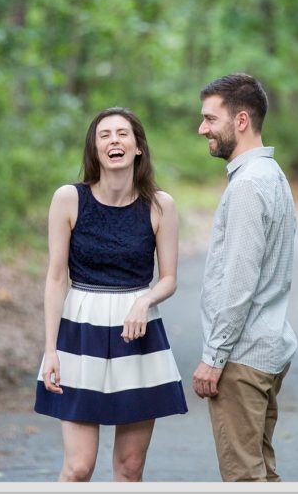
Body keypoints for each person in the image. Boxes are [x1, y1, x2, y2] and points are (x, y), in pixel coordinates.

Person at [35, 107, 187, 482]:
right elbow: (56, 278)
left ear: (137, 148)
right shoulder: (69, 199)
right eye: (104, 135)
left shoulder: (160, 205)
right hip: (80, 334)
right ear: (95, 147)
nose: (114, 140)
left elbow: (168, 278)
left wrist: (144, 299)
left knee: (130, 468)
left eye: (123, 134)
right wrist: (50, 349)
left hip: (137, 337)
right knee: (78, 467)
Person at [191, 73, 298, 482]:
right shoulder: (271, 175)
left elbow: (239, 283)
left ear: (240, 120)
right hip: (264, 352)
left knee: (244, 479)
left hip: (241, 359)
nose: (202, 129)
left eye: (209, 119)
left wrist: (213, 358)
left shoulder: (250, 186)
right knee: (262, 474)